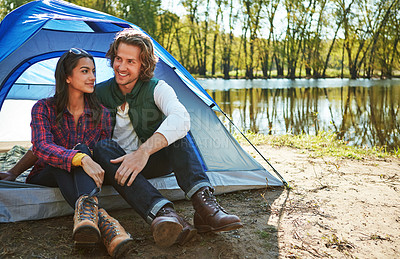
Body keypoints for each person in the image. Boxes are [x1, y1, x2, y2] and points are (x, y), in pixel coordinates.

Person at [0, 28, 243, 248]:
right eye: (118, 59)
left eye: (130, 61)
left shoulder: (150, 91)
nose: (121, 67)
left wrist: (142, 152)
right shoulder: (82, 98)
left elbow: (180, 118)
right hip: (103, 168)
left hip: (146, 162)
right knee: (95, 149)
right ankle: (151, 215)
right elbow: (49, 143)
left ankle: (204, 206)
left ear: (143, 65)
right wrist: (14, 171)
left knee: (178, 133)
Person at [21, 48, 133, 258]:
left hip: (85, 179)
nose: (92, 77)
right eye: (84, 71)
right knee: (72, 154)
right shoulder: (43, 108)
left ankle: (87, 219)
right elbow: (41, 146)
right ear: (67, 77)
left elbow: (101, 157)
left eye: (93, 71)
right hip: (49, 173)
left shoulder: (102, 114)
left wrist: (84, 157)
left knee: (83, 150)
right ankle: (105, 222)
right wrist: (79, 158)